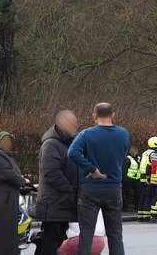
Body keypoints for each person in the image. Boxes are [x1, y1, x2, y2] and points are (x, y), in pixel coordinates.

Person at [67, 102, 130, 255]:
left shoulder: (86, 134)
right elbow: (121, 153)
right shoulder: (123, 134)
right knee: (115, 234)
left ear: (94, 116)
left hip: (91, 188)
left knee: (86, 235)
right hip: (113, 188)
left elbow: (72, 153)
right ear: (113, 116)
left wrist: (92, 169)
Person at [33, 110, 81, 255]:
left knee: (58, 243)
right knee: (51, 242)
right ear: (61, 124)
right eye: (70, 123)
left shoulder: (69, 143)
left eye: (75, 123)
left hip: (64, 203)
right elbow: (51, 172)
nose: (74, 126)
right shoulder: (51, 144)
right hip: (54, 204)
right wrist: (70, 190)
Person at [0, 131, 32, 255]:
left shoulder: (3, 154)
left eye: (9, 141)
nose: (8, 144)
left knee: (6, 232)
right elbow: (8, 174)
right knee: (1, 233)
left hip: (4, 201)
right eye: (5, 141)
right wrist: (23, 180)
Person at [122, 145, 141, 211]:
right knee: (126, 193)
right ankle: (125, 207)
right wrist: (125, 179)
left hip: (136, 179)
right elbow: (124, 169)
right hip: (128, 179)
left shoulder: (138, 158)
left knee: (138, 193)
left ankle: (138, 207)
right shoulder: (127, 158)